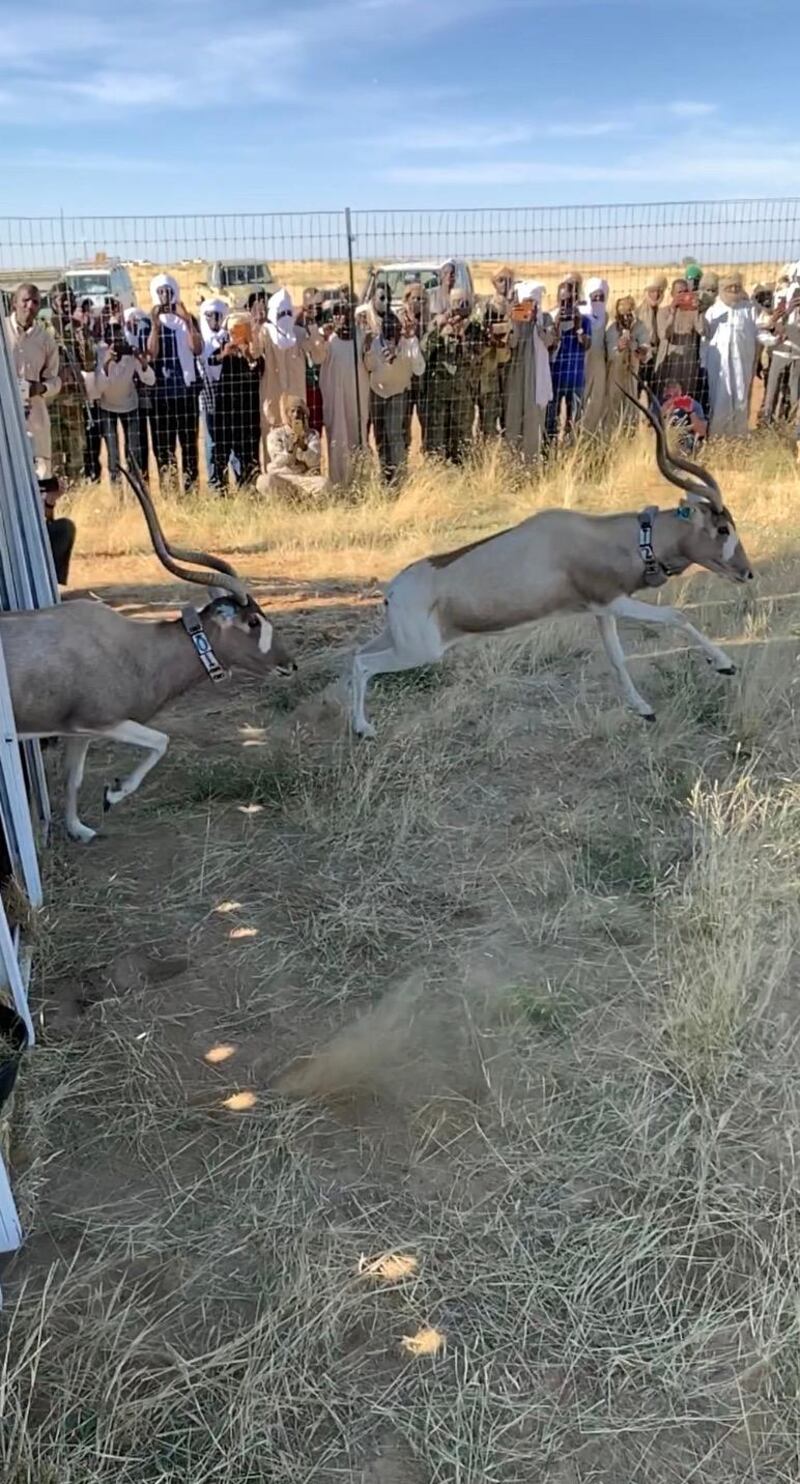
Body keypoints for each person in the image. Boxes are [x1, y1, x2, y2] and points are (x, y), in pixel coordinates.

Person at [147, 273, 202, 492]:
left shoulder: (188, 319)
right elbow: (151, 354)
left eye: (168, 291)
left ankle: (191, 490)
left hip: (186, 392)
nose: (165, 296)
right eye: (160, 291)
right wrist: (155, 326)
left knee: (189, 446)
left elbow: (196, 349)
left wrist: (187, 321)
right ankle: (169, 492)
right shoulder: (149, 320)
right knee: (164, 448)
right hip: (161, 395)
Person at [307, 299, 368, 487]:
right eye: (336, 313)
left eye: (345, 312)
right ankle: (338, 484)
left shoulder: (361, 336)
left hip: (357, 398)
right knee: (337, 439)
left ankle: (359, 482)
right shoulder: (329, 339)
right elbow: (317, 357)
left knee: (357, 436)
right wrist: (319, 336)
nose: (341, 317)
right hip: (334, 399)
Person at [4, 283, 60, 476]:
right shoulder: (2, 332)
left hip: (34, 415)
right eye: (25, 300)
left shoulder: (45, 340)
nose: (29, 306)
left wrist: (42, 388)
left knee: (40, 474)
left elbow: (55, 380)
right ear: (14, 303)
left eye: (35, 302)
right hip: (5, 413)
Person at [422, 288, 483, 464]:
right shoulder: (440, 323)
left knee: (462, 436)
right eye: (457, 302)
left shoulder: (474, 329)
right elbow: (425, 350)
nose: (460, 307)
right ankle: (437, 473)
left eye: (464, 303)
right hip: (440, 392)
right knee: (438, 437)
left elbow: (476, 357)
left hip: (463, 392)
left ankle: (462, 472)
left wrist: (464, 338)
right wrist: (439, 329)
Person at [364, 307, 424, 484]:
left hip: (397, 393)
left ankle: (400, 478)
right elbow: (369, 366)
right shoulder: (375, 343)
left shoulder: (408, 343)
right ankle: (384, 477)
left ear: (401, 329)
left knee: (395, 434)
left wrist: (412, 339)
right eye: (388, 329)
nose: (392, 334)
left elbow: (419, 369)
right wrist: (368, 351)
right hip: (378, 392)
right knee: (380, 435)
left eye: (395, 329)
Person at [94, 321, 155, 483]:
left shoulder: (130, 352)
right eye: (112, 340)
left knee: (133, 453)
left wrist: (142, 362)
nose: (116, 345)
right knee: (113, 454)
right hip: (107, 406)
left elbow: (150, 380)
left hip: (130, 405)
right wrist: (107, 362)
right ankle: (118, 494)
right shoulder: (101, 352)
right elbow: (99, 386)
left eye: (120, 340)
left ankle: (136, 490)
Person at [48, 282, 96, 487]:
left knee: (77, 452)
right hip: (51, 401)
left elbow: (89, 363)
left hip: (74, 401)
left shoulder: (76, 328)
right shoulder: (45, 329)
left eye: (70, 298)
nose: (67, 303)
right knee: (54, 454)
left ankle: (78, 496)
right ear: (53, 302)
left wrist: (82, 333)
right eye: (62, 299)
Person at [211, 311, 263, 487]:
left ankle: (249, 488)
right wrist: (224, 355)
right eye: (233, 331)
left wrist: (247, 355)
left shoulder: (256, 352)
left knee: (249, 454)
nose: (236, 336)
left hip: (247, 413)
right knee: (221, 454)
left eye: (240, 330)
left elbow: (260, 370)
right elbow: (209, 364)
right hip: (225, 412)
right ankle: (221, 489)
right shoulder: (223, 349)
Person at [703, 275, 759, 439]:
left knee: (741, 398)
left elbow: (761, 332)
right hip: (718, 366)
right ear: (722, 290)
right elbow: (704, 339)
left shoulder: (749, 309)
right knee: (720, 399)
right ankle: (718, 439)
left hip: (742, 364)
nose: (734, 290)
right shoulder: (712, 311)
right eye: (730, 287)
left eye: (737, 286)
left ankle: (739, 438)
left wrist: (775, 334)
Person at [257, 288, 310, 455]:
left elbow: (319, 355)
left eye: (289, 312)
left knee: (299, 450)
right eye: (281, 314)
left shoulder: (299, 335)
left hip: (296, 410)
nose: (286, 318)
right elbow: (255, 351)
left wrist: (313, 328)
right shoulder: (265, 334)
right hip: (273, 407)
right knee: (274, 452)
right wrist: (255, 326)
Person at [545, 279, 592, 448]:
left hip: (575, 377)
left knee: (574, 420)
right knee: (552, 418)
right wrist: (557, 325)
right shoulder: (551, 318)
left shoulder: (584, 320)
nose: (566, 305)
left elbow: (586, 345)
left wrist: (578, 327)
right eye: (562, 301)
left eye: (569, 301)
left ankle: (573, 450)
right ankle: (548, 449)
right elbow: (549, 347)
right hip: (555, 377)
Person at [257, 395, 327, 500]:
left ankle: (303, 500)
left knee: (324, 484)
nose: (296, 415)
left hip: (303, 479)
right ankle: (286, 500)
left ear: (304, 415)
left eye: (299, 412)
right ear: (287, 415)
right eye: (292, 411)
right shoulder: (276, 435)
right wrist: (290, 449)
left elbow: (315, 462)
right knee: (264, 481)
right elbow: (277, 461)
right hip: (283, 477)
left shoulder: (311, 435)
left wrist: (303, 448)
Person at [477, 266, 513, 438]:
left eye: (508, 280)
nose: (505, 284)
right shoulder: (488, 306)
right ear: (493, 283)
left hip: (512, 368)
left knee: (510, 414)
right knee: (489, 415)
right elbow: (485, 333)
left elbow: (521, 334)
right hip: (490, 366)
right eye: (501, 280)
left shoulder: (518, 305)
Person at [654, 278, 705, 402]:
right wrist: (673, 312)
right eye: (679, 292)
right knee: (666, 395)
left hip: (687, 361)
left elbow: (702, 331)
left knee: (686, 396)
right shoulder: (663, 312)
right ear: (672, 294)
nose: (683, 295)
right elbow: (664, 335)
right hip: (669, 360)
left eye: (685, 291)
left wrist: (698, 310)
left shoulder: (692, 312)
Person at [604, 296, 650, 430]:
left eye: (628, 313)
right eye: (622, 314)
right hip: (615, 374)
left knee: (631, 406)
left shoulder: (640, 327)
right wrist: (619, 347)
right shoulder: (612, 329)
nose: (625, 318)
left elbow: (645, 350)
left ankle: (629, 441)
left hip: (632, 373)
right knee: (613, 406)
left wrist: (634, 347)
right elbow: (609, 353)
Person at [197, 298, 228, 489]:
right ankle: (215, 483)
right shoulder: (200, 339)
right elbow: (207, 362)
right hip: (207, 398)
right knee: (212, 442)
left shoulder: (228, 336)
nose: (214, 320)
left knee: (227, 440)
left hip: (227, 396)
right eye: (210, 315)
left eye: (218, 315)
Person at [124, 307, 153, 477]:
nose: (133, 324)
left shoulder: (145, 340)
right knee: (136, 440)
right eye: (130, 321)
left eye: (137, 321)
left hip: (147, 395)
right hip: (129, 397)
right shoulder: (125, 340)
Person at [401, 281, 429, 450]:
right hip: (404, 381)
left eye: (422, 299)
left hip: (422, 382)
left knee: (426, 422)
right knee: (403, 423)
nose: (418, 302)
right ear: (407, 299)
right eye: (415, 298)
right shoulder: (399, 319)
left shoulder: (428, 322)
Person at [581, 277, 609, 434]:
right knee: (583, 400)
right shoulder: (582, 314)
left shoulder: (606, 315)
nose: (597, 300)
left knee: (597, 399)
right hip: (584, 361)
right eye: (594, 297)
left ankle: (590, 436)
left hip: (599, 362)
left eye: (601, 297)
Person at [298, 289, 325, 436]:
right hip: (304, 387)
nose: (315, 310)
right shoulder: (296, 328)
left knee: (317, 432)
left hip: (322, 386)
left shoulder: (325, 323)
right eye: (311, 306)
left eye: (318, 306)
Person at [659, 379, 707, 456]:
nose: (673, 400)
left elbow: (701, 432)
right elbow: (647, 427)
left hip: (685, 445)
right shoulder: (658, 404)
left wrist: (690, 412)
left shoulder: (694, 405)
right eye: (669, 396)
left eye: (676, 396)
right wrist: (664, 410)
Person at [637, 274, 667, 395]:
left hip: (657, 358)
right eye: (652, 291)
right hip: (641, 358)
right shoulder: (638, 313)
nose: (656, 295)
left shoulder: (661, 312)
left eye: (659, 292)